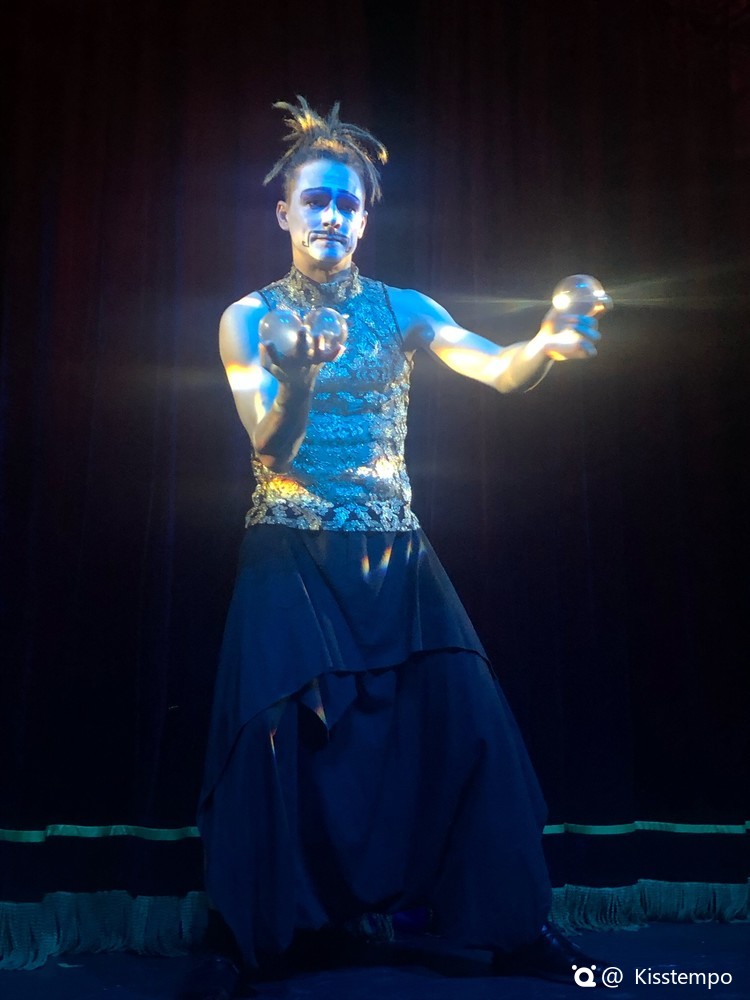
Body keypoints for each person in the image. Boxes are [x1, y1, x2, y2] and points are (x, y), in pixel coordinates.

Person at [194, 97, 602, 997]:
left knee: (472, 724)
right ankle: (243, 938)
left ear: (364, 219)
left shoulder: (404, 309)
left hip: (395, 551)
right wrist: (299, 377)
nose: (331, 215)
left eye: (347, 202)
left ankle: (512, 925)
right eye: (315, 200)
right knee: (271, 737)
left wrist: (543, 343)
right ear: (284, 213)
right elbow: (269, 446)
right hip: (291, 549)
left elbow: (496, 369)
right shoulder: (246, 318)